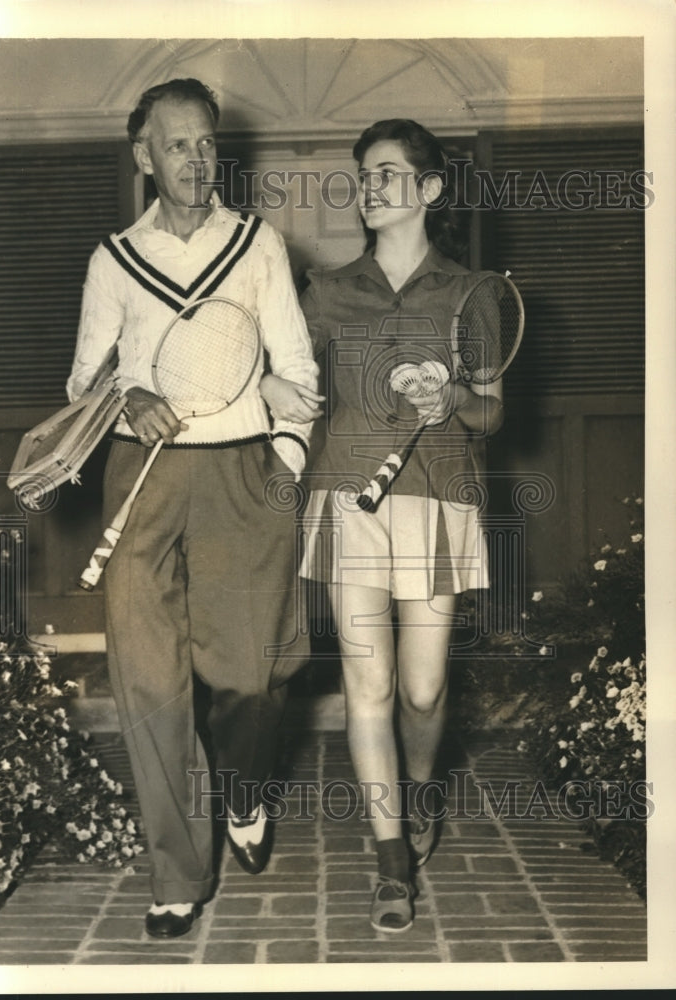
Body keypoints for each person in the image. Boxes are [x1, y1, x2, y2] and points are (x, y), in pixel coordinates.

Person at [67, 78, 321, 939]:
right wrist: (128, 394)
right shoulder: (112, 259)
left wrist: (281, 472)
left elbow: (299, 371)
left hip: (242, 477)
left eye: (207, 143)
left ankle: (245, 793)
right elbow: (83, 378)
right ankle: (176, 874)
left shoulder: (257, 244)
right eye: (177, 144)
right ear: (144, 156)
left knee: (250, 677)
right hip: (141, 479)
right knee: (148, 680)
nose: (196, 159)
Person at [261, 119, 504, 933]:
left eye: (387, 174)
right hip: (344, 499)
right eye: (363, 174)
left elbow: (492, 411)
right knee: (366, 690)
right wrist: (273, 392)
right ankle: (390, 859)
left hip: (438, 499)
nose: (368, 187)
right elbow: (290, 381)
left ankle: (422, 785)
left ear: (430, 191)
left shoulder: (471, 294)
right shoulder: (325, 292)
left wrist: (455, 402)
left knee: (423, 689)